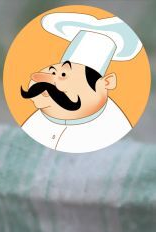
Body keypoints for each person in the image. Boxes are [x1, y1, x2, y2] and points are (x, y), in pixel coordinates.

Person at [20, 11, 143, 153]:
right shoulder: (38, 118)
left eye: (64, 75)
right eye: (52, 71)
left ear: (106, 83)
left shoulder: (112, 128)